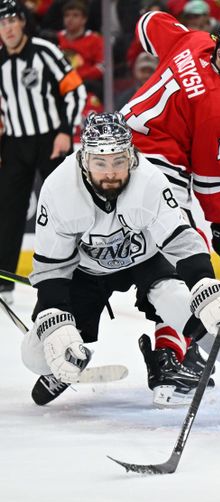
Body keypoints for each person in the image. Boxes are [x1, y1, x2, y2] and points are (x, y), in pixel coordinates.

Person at [20, 112, 220, 421]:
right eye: (101, 162)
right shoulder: (59, 189)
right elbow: (51, 267)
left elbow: (181, 240)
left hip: (146, 259)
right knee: (36, 354)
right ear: (85, 160)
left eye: (119, 161)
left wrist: (205, 286)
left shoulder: (149, 180)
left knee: (185, 304)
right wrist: (56, 320)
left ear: (132, 157)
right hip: (86, 270)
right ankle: (67, 360)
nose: (111, 172)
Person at [120, 11, 220, 403]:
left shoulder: (195, 41)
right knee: (185, 264)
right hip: (155, 171)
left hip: (111, 155)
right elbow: (211, 176)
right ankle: (171, 356)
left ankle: (172, 349)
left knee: (150, 263)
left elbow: (148, 21)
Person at [0, 0, 86, 305]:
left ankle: (75, 273)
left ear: (23, 22)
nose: (7, 28)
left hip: (51, 139)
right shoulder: (0, 62)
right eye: (2, 23)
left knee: (62, 209)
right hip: (14, 143)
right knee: (8, 212)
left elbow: (75, 89)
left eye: (12, 20)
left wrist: (65, 130)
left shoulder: (43, 51)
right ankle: (4, 279)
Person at [57, 0, 103, 100]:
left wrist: (78, 76)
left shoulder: (95, 40)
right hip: (60, 84)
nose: (70, 19)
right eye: (67, 15)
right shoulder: (56, 39)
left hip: (85, 85)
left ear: (84, 19)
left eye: (75, 15)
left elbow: (101, 67)